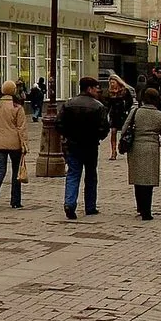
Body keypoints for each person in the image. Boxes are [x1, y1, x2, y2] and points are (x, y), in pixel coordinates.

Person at [56, 77, 109, 219]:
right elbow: (104, 128)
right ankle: (90, 206)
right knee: (91, 175)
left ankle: (69, 203)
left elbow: (59, 123)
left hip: (73, 144)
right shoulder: (98, 106)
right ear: (89, 89)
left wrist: (67, 135)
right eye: (95, 88)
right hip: (91, 145)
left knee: (73, 174)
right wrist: (97, 137)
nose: (98, 91)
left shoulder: (69, 104)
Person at [120, 87, 161, 220]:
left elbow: (124, 129)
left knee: (138, 179)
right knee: (148, 180)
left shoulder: (135, 112)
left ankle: (140, 207)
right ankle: (147, 211)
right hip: (151, 148)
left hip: (135, 148)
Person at [0, 80, 28, 211]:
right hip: (14, 144)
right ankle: (15, 201)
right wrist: (24, 144)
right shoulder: (17, 106)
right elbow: (22, 128)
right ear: (14, 91)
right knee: (16, 172)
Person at [106, 73, 134, 160]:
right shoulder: (110, 93)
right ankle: (113, 152)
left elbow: (130, 102)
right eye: (110, 83)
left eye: (113, 82)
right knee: (113, 132)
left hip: (123, 114)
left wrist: (126, 109)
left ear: (117, 82)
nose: (111, 84)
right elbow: (108, 105)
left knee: (125, 132)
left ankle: (124, 147)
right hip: (114, 114)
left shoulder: (125, 91)